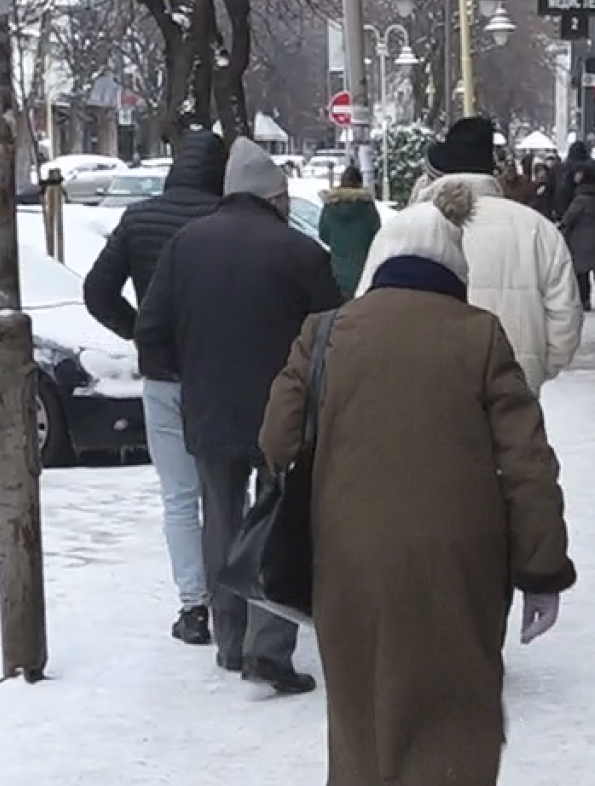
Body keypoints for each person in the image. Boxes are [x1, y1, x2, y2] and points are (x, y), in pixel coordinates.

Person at [260, 181, 575, 786]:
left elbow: (275, 440)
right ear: (452, 267)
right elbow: (527, 461)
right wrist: (541, 566)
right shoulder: (480, 336)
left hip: (350, 551)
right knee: (461, 683)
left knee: (368, 694)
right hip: (462, 551)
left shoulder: (325, 333)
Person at [133, 138, 342, 695]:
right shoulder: (302, 253)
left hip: (209, 405)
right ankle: (267, 647)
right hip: (283, 411)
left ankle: (228, 639)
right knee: (278, 519)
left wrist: (188, 369)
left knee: (220, 517)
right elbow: (331, 337)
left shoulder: (184, 245)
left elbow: (150, 328)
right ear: (275, 198)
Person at [82, 129, 229, 646]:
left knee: (179, 496)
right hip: (220, 374)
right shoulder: (225, 220)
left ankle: (193, 606)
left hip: (163, 374)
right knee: (226, 493)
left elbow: (97, 291)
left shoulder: (139, 218)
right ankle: (233, 601)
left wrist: (140, 331)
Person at [359, 117, 580, 395]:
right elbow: (565, 321)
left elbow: (365, 313)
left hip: (422, 392)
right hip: (513, 391)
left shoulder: (401, 228)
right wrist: (531, 371)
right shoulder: (537, 229)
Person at [317, 165, 383, 301]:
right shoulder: (366, 206)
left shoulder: (330, 205)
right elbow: (377, 233)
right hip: (364, 270)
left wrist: (338, 244)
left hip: (337, 271)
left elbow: (323, 234)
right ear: (359, 183)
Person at [559, 160, 595, 310]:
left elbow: (569, 219)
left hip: (582, 240)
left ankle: (585, 300)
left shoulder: (580, 199)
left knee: (582, 272)